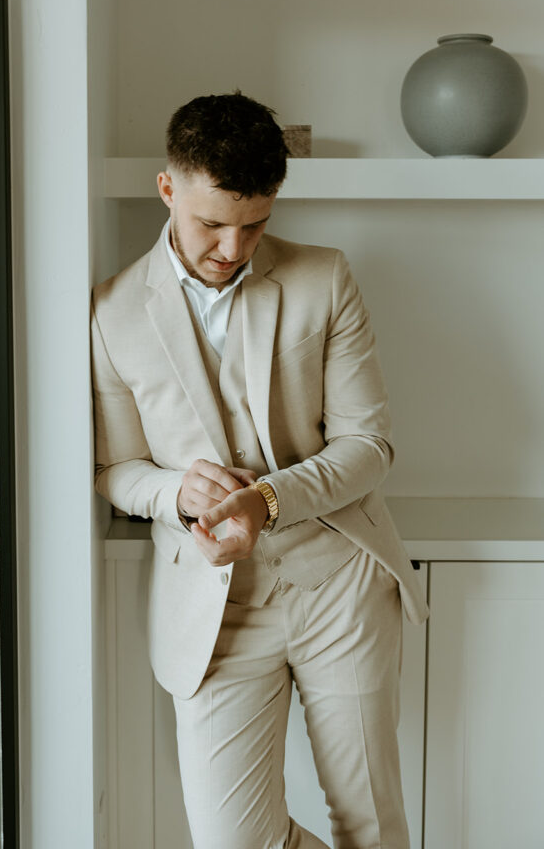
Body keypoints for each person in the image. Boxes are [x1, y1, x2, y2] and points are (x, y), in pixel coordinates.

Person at [91, 91, 429, 849]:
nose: (233, 247)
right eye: (212, 223)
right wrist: (175, 491)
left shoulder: (325, 277)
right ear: (167, 188)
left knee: (370, 825)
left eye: (255, 225)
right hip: (213, 612)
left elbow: (367, 446)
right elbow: (115, 467)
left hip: (338, 585)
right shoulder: (110, 313)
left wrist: (267, 501)